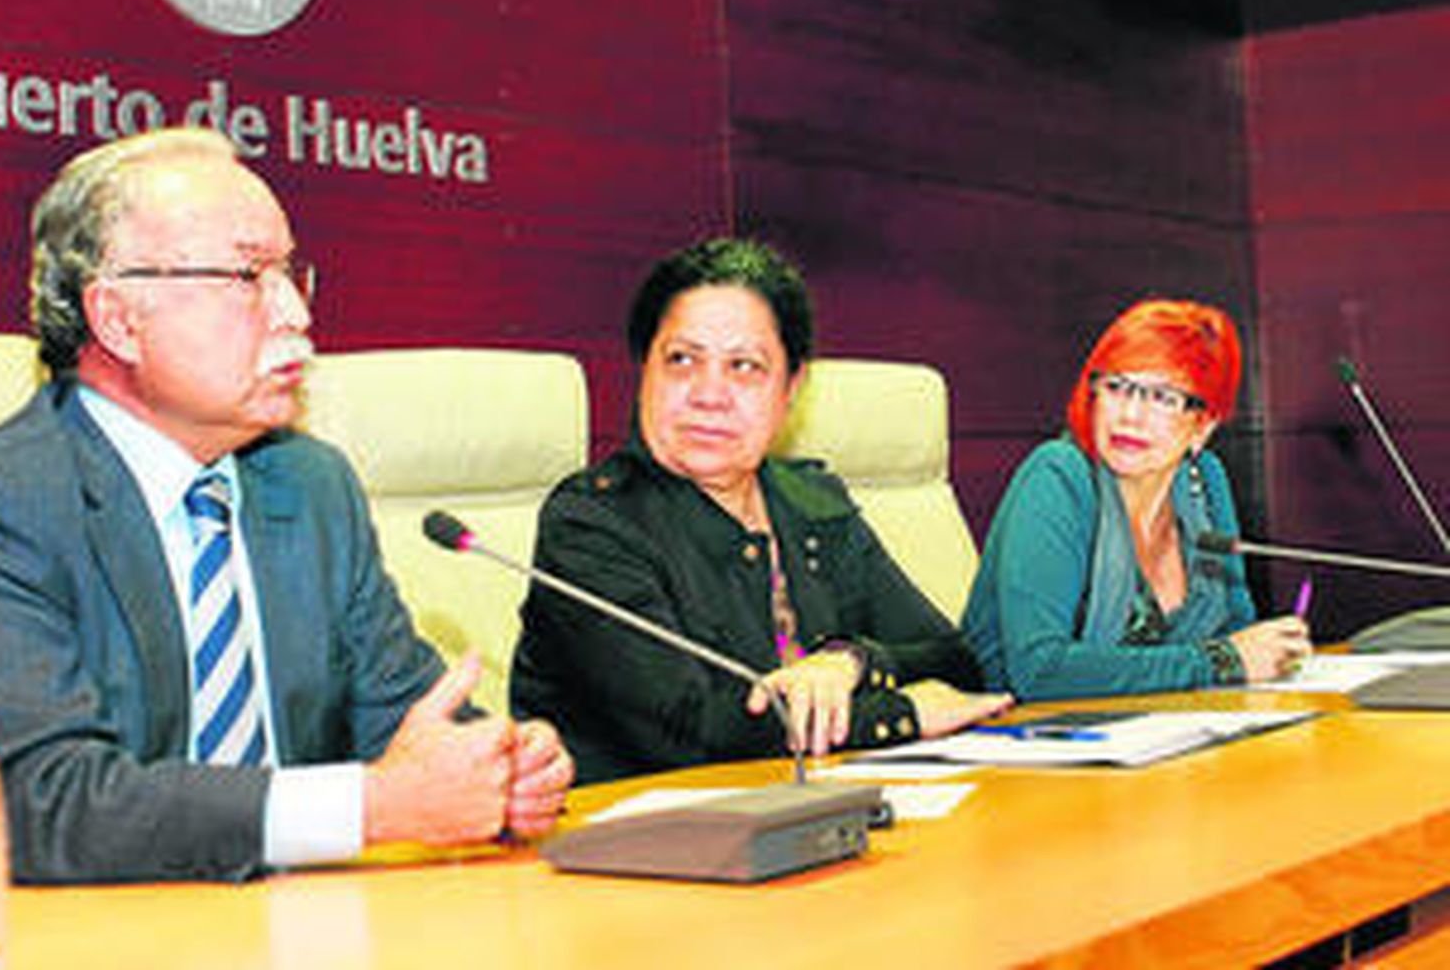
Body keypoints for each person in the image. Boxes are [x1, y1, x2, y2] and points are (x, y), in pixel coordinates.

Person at [0, 127, 572, 883]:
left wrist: (501, 768)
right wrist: (367, 809)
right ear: (118, 319)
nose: (293, 313)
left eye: (290, 274)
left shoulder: (310, 485)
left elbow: (402, 722)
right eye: (249, 276)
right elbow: (38, 801)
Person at [510, 238, 1010, 784]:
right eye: (682, 360)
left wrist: (851, 661)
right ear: (644, 369)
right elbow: (690, 733)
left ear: (791, 387)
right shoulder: (591, 523)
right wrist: (900, 715)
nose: (709, 394)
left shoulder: (812, 503)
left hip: (814, 821)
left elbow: (953, 660)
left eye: (744, 367)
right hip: (638, 845)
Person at [961, 298, 1311, 701]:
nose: (1130, 415)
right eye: (1117, 387)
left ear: (1203, 424)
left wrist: (1268, 651)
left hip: (1159, 732)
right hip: (1022, 739)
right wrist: (1219, 663)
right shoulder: (1058, 478)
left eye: (1161, 397)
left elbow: (1235, 630)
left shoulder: (1205, 482)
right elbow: (1040, 671)